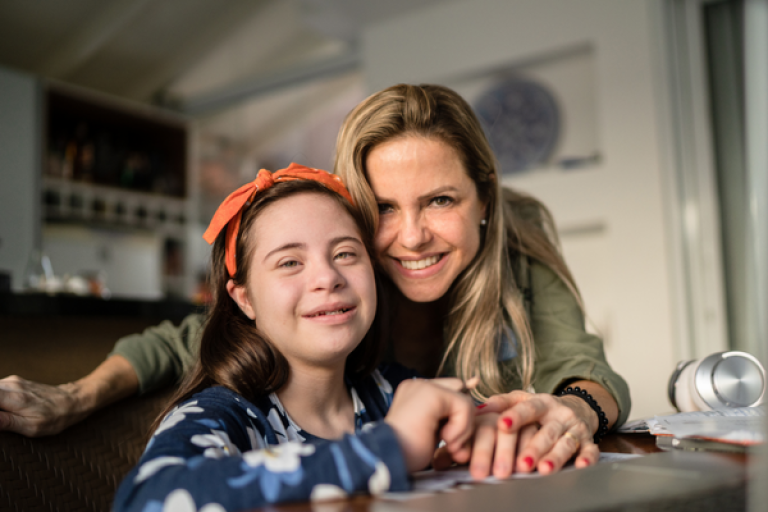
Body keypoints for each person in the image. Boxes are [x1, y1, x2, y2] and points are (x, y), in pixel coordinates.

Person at [0, 84, 630, 478]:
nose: (411, 237)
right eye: (383, 209)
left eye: (440, 200)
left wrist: (567, 409)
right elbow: (185, 341)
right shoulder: (317, 314)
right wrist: (76, 398)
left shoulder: (512, 239)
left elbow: (588, 370)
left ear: (483, 198)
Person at [113, 164, 477, 511]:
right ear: (245, 299)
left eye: (345, 253)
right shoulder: (227, 417)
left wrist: (507, 426)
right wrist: (387, 448)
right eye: (290, 262)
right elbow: (144, 500)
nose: (327, 277)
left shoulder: (398, 392)